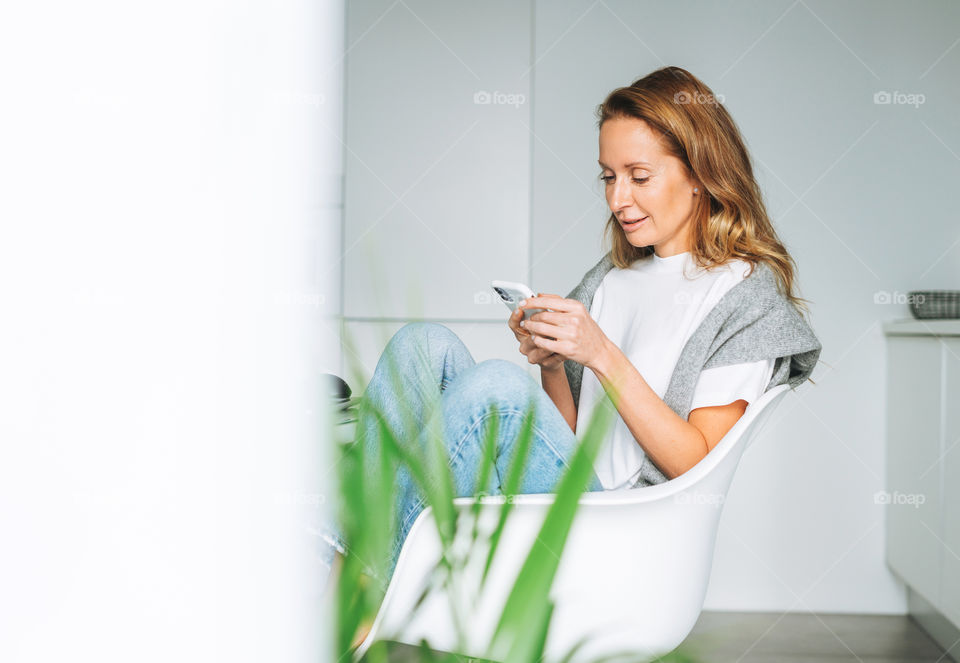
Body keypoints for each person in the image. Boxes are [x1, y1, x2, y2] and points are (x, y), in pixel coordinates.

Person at [320, 65, 822, 630]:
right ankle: (335, 563)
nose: (618, 198)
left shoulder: (743, 296)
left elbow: (696, 461)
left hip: (626, 521)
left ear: (700, 174)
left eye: (639, 176)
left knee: (496, 388)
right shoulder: (613, 277)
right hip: (572, 488)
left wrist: (603, 354)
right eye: (609, 177)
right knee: (422, 345)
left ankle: (355, 587)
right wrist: (556, 366)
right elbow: (570, 433)